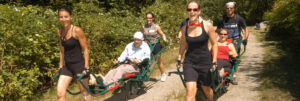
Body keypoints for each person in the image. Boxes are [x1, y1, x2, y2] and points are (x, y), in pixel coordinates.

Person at [177, 1, 218, 101]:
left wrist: (214, 60)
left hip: (205, 62)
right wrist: (179, 58)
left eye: (195, 9)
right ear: (187, 11)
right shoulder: (184, 28)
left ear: (199, 11)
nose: (192, 12)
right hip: (190, 63)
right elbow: (183, 44)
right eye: (189, 10)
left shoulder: (207, 26)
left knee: (206, 89)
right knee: (190, 92)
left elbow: (214, 43)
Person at [56, 7, 91, 101]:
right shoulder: (59, 31)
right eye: (61, 17)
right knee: (60, 93)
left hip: (79, 66)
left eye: (66, 16)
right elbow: (62, 50)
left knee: (84, 92)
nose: (63, 19)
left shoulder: (77, 30)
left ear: (71, 17)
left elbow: (85, 50)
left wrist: (86, 67)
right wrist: (60, 65)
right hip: (67, 67)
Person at [141, 12, 168, 82]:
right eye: (147, 18)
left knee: (158, 60)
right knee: (145, 60)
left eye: (150, 18)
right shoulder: (144, 27)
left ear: (153, 18)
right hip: (147, 46)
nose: (148, 19)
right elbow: (142, 36)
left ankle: (163, 74)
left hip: (156, 44)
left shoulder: (156, 27)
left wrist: (164, 38)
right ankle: (144, 75)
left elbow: (162, 34)